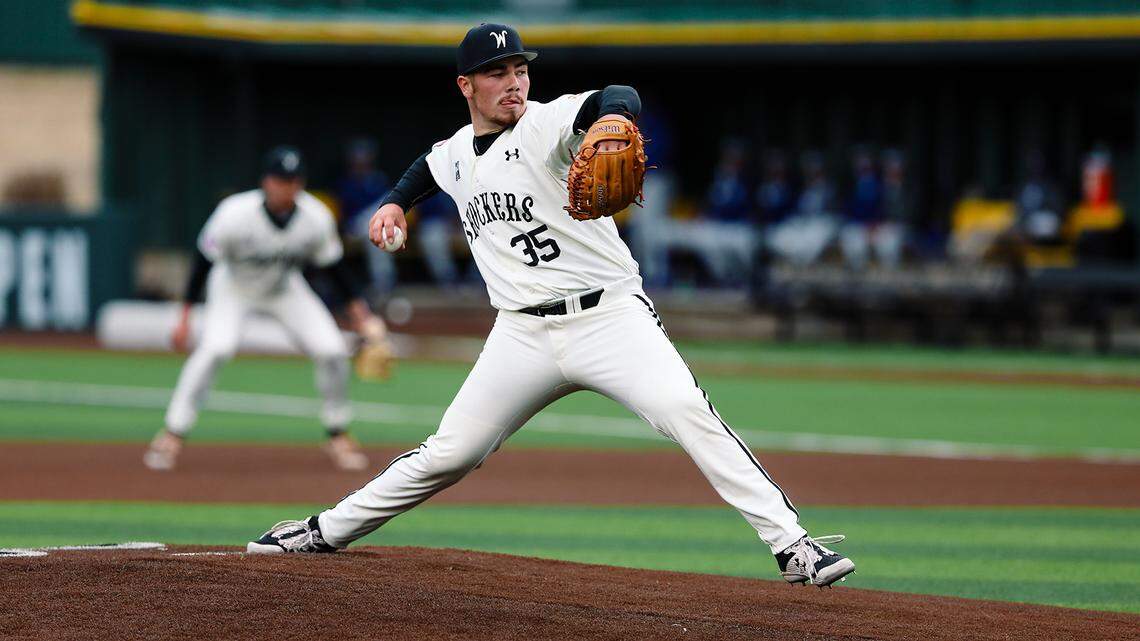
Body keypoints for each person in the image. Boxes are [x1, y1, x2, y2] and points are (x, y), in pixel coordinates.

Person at [246, 24, 855, 588]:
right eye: (496, 72)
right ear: (466, 85)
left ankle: (794, 546)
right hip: (521, 336)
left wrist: (614, 118)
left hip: (609, 317)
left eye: (520, 69)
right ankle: (324, 531)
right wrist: (391, 204)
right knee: (450, 453)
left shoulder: (548, 123)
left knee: (686, 410)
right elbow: (426, 171)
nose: (513, 81)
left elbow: (617, 94)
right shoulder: (457, 151)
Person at [143, 146, 384, 472]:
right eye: (279, 180)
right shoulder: (234, 214)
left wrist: (363, 317)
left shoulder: (315, 217)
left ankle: (337, 432)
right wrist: (184, 317)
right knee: (215, 349)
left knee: (331, 350)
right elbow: (202, 262)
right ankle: (173, 431)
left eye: (292, 180)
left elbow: (335, 269)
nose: (285, 187)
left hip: (285, 288)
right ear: (266, 182)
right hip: (233, 288)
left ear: (300, 184)